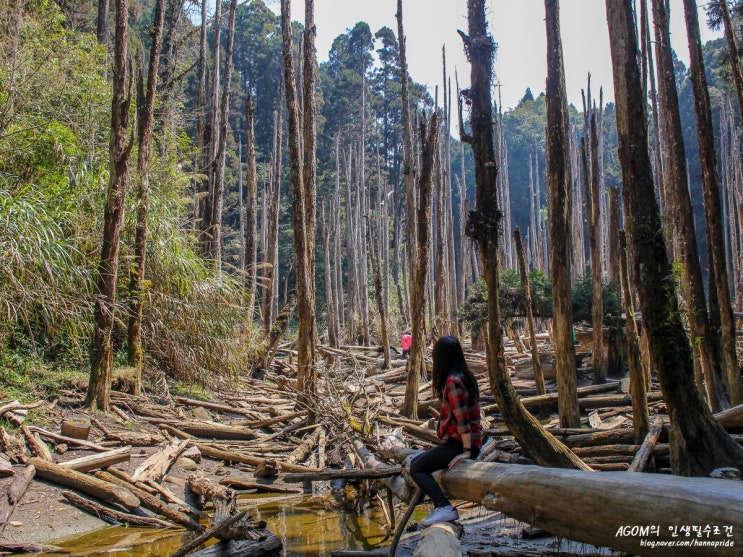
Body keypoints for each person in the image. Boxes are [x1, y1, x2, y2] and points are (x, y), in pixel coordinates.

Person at [409, 336, 481, 526]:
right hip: (460, 443)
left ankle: (444, 507)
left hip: (460, 445)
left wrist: (466, 452)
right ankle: (440, 506)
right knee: (416, 460)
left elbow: (463, 420)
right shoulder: (465, 376)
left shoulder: (453, 382)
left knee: (416, 468)